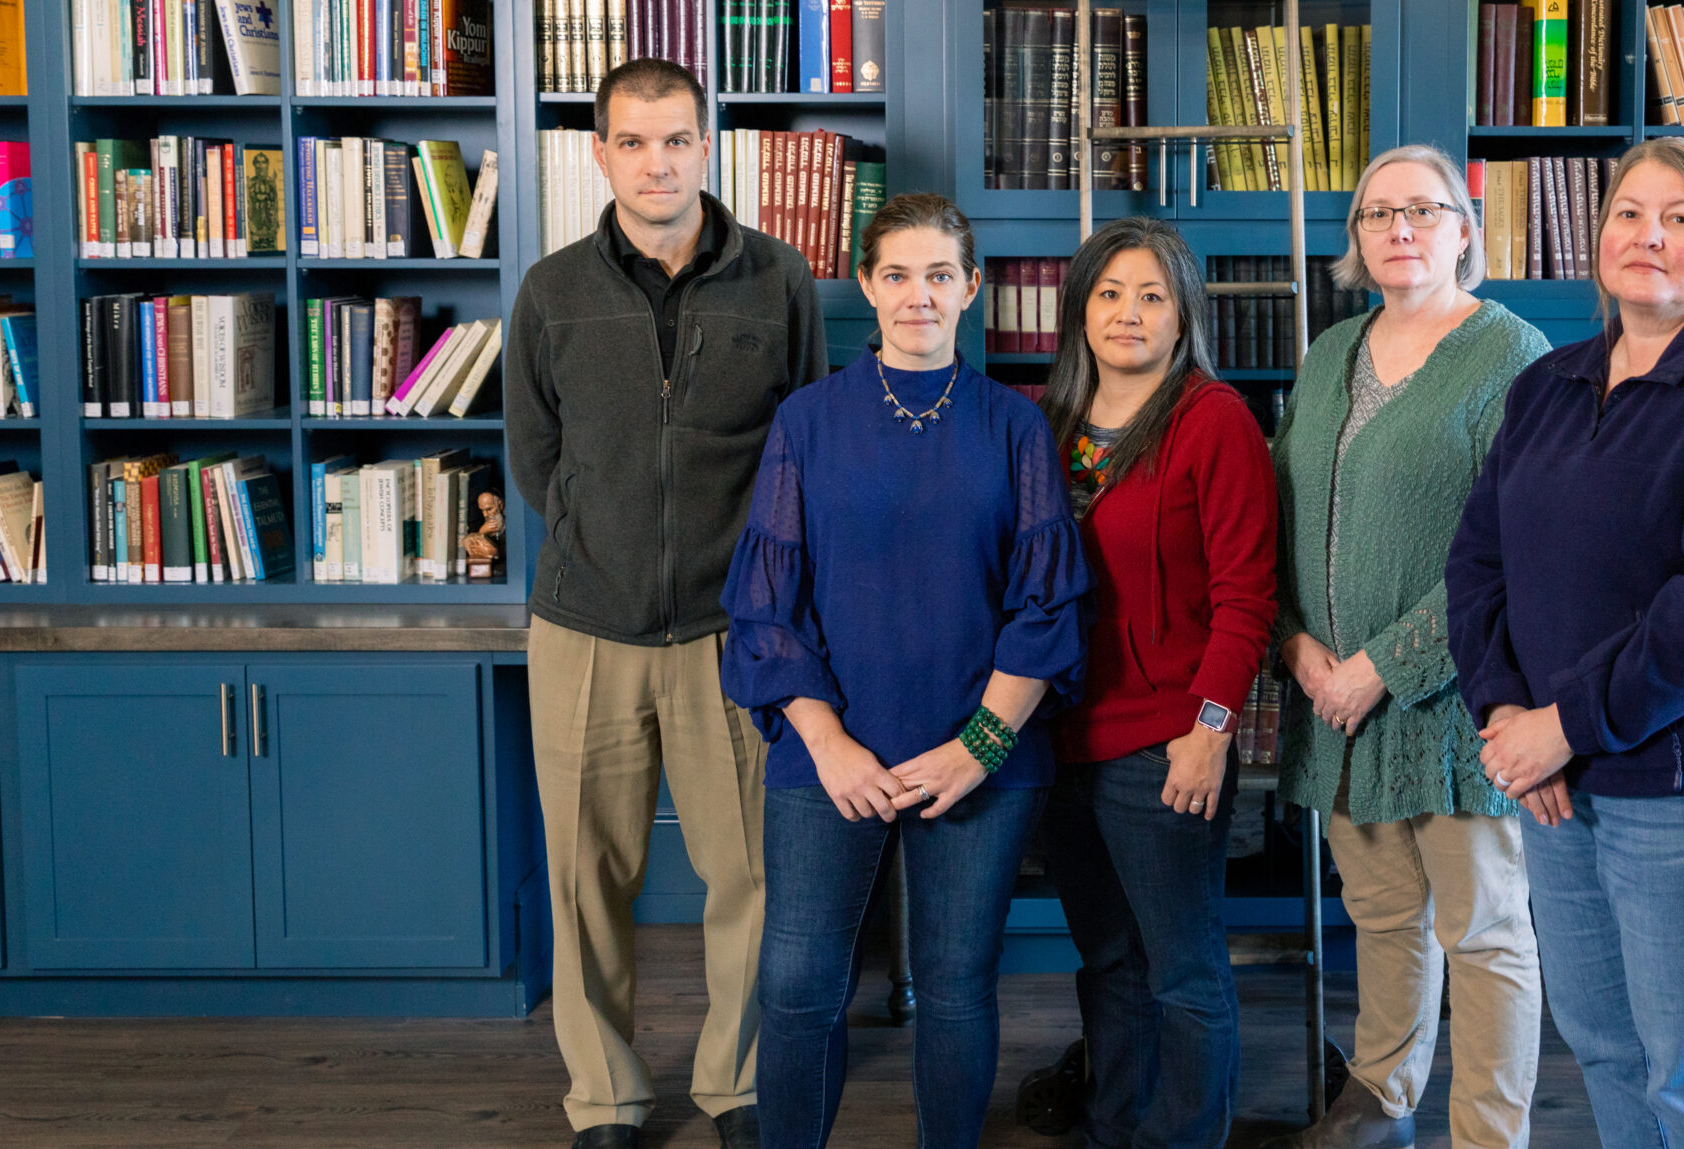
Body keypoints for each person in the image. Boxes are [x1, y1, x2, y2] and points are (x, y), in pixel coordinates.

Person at [1445, 136, 1684, 1149]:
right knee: (1609, 1053)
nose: (1648, 237)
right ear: (1598, 234)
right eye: (1629, 213)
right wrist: (1504, 714)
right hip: (1557, 783)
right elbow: (1477, 560)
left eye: (1678, 219)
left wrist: (1562, 724)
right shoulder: (1549, 384)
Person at [721, 192, 1091, 1149]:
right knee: (798, 983)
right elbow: (769, 604)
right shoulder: (808, 422)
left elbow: (1046, 607)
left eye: (939, 275)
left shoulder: (1016, 428)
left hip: (977, 754)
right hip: (828, 751)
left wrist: (979, 745)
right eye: (896, 274)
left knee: (957, 982)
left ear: (972, 287)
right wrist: (829, 740)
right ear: (866, 285)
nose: (917, 295)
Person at [505, 56, 823, 1149]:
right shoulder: (551, 289)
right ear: (600, 153)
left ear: (706, 145)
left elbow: (804, 452)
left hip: (734, 632)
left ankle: (735, 1087)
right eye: (633, 142)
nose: (656, 162)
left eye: (677, 139)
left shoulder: (777, 280)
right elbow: (535, 452)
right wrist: (602, 535)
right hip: (583, 626)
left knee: (748, 876)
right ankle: (605, 1097)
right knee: (585, 878)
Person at [1267, 144, 1552, 1149]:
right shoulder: (1329, 352)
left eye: (1423, 210)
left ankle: (1486, 1133)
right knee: (1380, 916)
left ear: (1463, 230)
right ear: (1356, 238)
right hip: (1333, 704)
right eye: (1378, 214)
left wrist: (1385, 664)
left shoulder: (1512, 353)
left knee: (1480, 932)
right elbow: (1289, 509)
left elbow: (1520, 543)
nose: (1399, 229)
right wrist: (1296, 645)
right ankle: (1380, 1098)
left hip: (1453, 700)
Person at [1038, 216, 1277, 1149]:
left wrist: (1210, 728)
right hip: (1060, 737)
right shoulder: (1045, 423)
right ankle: (1114, 1126)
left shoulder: (1212, 419)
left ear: (1183, 320)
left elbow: (1247, 596)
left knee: (1182, 967)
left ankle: (1183, 1137)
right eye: (1109, 293)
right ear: (1080, 311)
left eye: (1151, 296)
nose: (1127, 313)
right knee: (1105, 958)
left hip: (1166, 745)